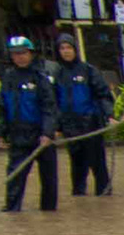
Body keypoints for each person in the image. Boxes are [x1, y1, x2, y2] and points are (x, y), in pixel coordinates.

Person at [48, 31, 116, 196]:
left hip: (90, 124)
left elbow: (103, 94)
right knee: (77, 164)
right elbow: (53, 103)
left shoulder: (88, 71)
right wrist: (56, 127)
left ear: (75, 49)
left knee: (97, 162)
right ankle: (78, 193)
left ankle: (104, 192)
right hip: (70, 126)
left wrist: (110, 115)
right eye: (62, 48)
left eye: (69, 47)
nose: (66, 51)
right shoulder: (57, 75)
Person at [0, 33, 59, 213]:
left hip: (40, 136)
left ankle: (49, 212)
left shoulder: (40, 78)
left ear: (31, 53)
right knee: (15, 175)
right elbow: (3, 107)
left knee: (49, 178)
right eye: (15, 54)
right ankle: (12, 209)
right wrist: (1, 132)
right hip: (18, 136)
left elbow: (50, 107)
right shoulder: (8, 78)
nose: (20, 57)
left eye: (23, 53)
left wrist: (48, 133)